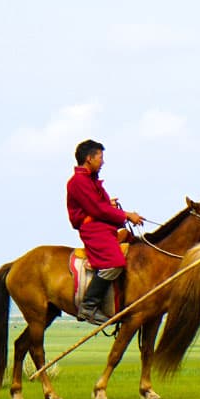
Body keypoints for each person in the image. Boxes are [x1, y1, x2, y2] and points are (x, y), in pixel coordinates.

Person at [65, 139, 146, 324]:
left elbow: (97, 205)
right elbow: (97, 210)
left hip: (101, 226)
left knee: (129, 239)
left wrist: (108, 205)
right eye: (100, 157)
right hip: (93, 229)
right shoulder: (78, 181)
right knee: (115, 263)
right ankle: (88, 306)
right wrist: (126, 215)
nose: (102, 162)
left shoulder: (89, 180)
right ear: (89, 158)